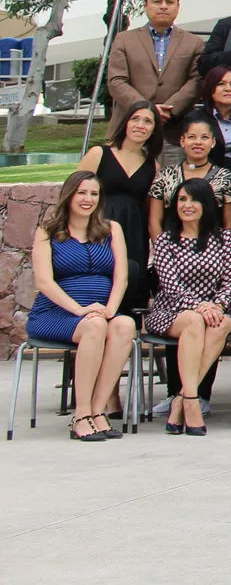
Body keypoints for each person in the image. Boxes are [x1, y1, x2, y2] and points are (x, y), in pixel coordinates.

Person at [26, 172, 137, 441]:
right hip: (55, 314)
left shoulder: (111, 229)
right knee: (95, 326)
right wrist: (79, 309)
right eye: (82, 193)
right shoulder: (48, 232)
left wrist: (111, 309)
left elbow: (120, 276)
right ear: (69, 195)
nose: (88, 199)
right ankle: (81, 413)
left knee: (125, 325)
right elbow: (44, 282)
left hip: (99, 312)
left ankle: (98, 411)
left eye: (94, 194)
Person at [143, 177, 231, 436]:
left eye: (194, 199)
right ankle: (193, 403)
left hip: (219, 309)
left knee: (218, 326)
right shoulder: (165, 241)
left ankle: (183, 398)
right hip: (172, 310)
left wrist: (216, 306)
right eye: (182, 199)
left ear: (206, 204)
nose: (187, 205)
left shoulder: (225, 239)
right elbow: (171, 287)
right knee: (196, 321)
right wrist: (200, 307)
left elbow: (230, 282)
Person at [77, 101, 158, 310]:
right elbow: (74, 193)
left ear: (154, 129)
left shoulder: (153, 165)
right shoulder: (99, 153)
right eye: (135, 119)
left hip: (133, 232)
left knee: (130, 281)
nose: (141, 125)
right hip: (99, 226)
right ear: (125, 122)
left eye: (148, 121)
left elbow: (150, 207)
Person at [106, 0, 205, 122]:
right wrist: (146, 109)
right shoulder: (124, 40)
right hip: (130, 126)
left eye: (169, 2)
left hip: (176, 126)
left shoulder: (194, 42)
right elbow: (116, 81)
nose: (163, 6)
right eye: (157, 2)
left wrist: (169, 108)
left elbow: (196, 81)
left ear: (178, 6)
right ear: (145, 5)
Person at [149, 111, 231, 237]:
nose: (198, 142)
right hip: (170, 249)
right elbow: (154, 222)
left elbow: (229, 225)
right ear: (182, 141)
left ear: (213, 142)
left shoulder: (225, 177)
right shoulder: (165, 175)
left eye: (204, 137)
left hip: (212, 250)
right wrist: (164, 250)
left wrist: (216, 252)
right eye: (191, 137)